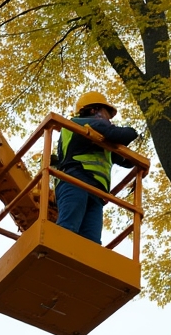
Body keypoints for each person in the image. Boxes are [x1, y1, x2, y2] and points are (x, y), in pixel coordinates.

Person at [54, 91, 139, 243]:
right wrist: (132, 131)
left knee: (91, 242)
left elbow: (124, 160)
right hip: (75, 182)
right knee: (67, 230)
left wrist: (137, 161)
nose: (109, 120)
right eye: (107, 114)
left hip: (97, 192)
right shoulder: (80, 124)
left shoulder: (97, 138)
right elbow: (121, 134)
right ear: (94, 110)